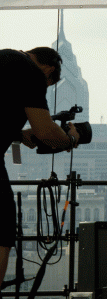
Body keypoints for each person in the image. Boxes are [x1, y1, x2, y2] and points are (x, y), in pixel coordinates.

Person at [0, 47, 80, 281]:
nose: (42, 91)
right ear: (49, 70)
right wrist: (70, 139)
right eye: (46, 86)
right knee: (3, 229)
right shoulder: (31, 72)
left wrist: (17, 133)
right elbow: (45, 130)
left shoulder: (5, 58)